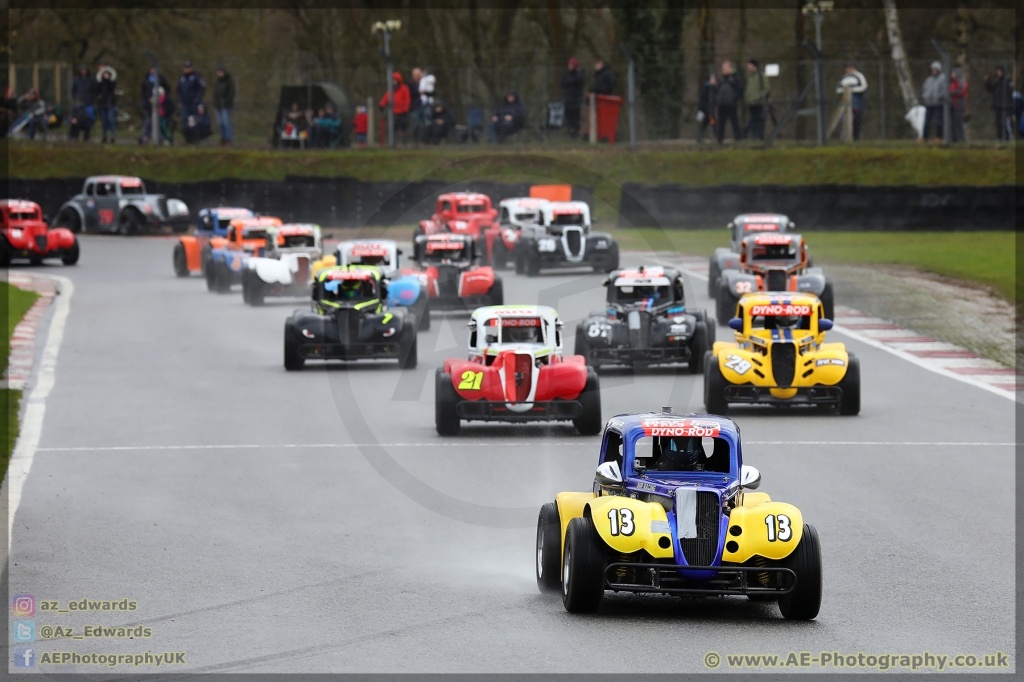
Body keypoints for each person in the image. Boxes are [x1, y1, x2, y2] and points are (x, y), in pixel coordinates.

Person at [835, 62, 868, 141]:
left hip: (856, 102)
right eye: (847, 67)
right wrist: (845, 90)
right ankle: (845, 137)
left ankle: (856, 138)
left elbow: (864, 86)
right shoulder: (843, 77)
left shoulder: (859, 76)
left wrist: (852, 90)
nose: (848, 69)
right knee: (845, 120)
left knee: (856, 120)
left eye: (850, 67)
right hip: (845, 103)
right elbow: (838, 89)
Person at [139, 67, 172, 144]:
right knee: (149, 122)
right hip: (153, 113)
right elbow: (143, 89)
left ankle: (162, 138)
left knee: (159, 124)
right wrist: (146, 101)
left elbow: (169, 108)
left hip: (162, 117)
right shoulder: (146, 78)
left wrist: (164, 113)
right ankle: (146, 137)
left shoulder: (166, 100)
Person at [715, 60, 744, 143]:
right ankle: (719, 139)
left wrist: (735, 98)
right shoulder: (721, 79)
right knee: (721, 123)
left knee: (734, 122)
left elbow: (740, 90)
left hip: (731, 104)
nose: (723, 70)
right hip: (722, 104)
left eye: (725, 68)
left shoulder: (735, 78)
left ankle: (738, 138)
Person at [379, 72, 411, 146]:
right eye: (392, 80)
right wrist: (381, 105)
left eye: (395, 80)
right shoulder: (390, 90)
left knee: (404, 128)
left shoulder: (404, 88)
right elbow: (386, 98)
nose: (393, 82)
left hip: (403, 112)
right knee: (393, 129)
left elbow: (407, 99)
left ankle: (404, 143)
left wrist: (406, 109)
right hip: (394, 112)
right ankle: (394, 143)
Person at [984, 65, 1013, 141]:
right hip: (998, 105)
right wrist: (987, 82)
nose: (997, 73)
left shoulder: (1007, 81)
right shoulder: (998, 83)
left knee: (1006, 122)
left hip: (1006, 106)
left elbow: (1010, 93)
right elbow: (991, 89)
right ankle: (1000, 136)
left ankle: (1008, 137)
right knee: (998, 123)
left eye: (999, 71)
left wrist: (1008, 104)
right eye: (997, 71)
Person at [743, 59, 769, 140]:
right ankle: (755, 136)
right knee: (753, 119)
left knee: (758, 119)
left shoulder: (761, 75)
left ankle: (759, 136)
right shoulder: (748, 76)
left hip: (759, 102)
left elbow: (766, 88)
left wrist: (759, 96)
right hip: (751, 102)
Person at [920, 61, 947, 141]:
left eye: (935, 69)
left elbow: (944, 90)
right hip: (929, 103)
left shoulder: (942, 78)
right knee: (926, 122)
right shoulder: (929, 79)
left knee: (938, 121)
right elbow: (924, 88)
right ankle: (925, 137)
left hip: (938, 103)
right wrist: (925, 96)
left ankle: (938, 137)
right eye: (932, 69)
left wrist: (940, 97)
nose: (933, 71)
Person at [561, 57, 585, 138]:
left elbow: (576, 82)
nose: (569, 67)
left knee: (576, 116)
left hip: (575, 100)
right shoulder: (567, 75)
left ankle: (576, 131)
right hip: (568, 99)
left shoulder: (579, 75)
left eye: (571, 65)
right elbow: (562, 83)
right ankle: (570, 131)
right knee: (568, 116)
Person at [212, 64, 235, 146]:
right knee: (220, 123)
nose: (220, 73)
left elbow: (231, 93)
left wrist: (227, 102)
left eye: (221, 71)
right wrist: (215, 102)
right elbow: (215, 93)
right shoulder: (217, 81)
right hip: (218, 105)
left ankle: (229, 138)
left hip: (225, 105)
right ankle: (223, 138)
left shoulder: (228, 80)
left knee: (226, 122)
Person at [95, 68, 117, 143]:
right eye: (105, 74)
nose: (106, 75)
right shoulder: (100, 83)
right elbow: (97, 91)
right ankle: (104, 136)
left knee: (111, 120)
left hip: (110, 104)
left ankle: (113, 136)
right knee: (104, 121)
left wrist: (108, 81)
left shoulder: (111, 82)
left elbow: (111, 88)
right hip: (102, 104)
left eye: (107, 74)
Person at [696, 73, 718, 143]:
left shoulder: (713, 88)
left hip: (709, 110)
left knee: (707, 124)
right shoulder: (706, 88)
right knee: (712, 123)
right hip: (707, 111)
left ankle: (699, 137)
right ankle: (718, 137)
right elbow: (703, 100)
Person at [949, 68, 968, 143]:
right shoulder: (951, 82)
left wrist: (951, 93)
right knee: (952, 123)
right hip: (952, 104)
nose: (952, 75)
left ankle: (961, 138)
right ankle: (954, 138)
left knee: (959, 122)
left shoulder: (962, 81)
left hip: (959, 104)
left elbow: (961, 91)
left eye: (953, 73)